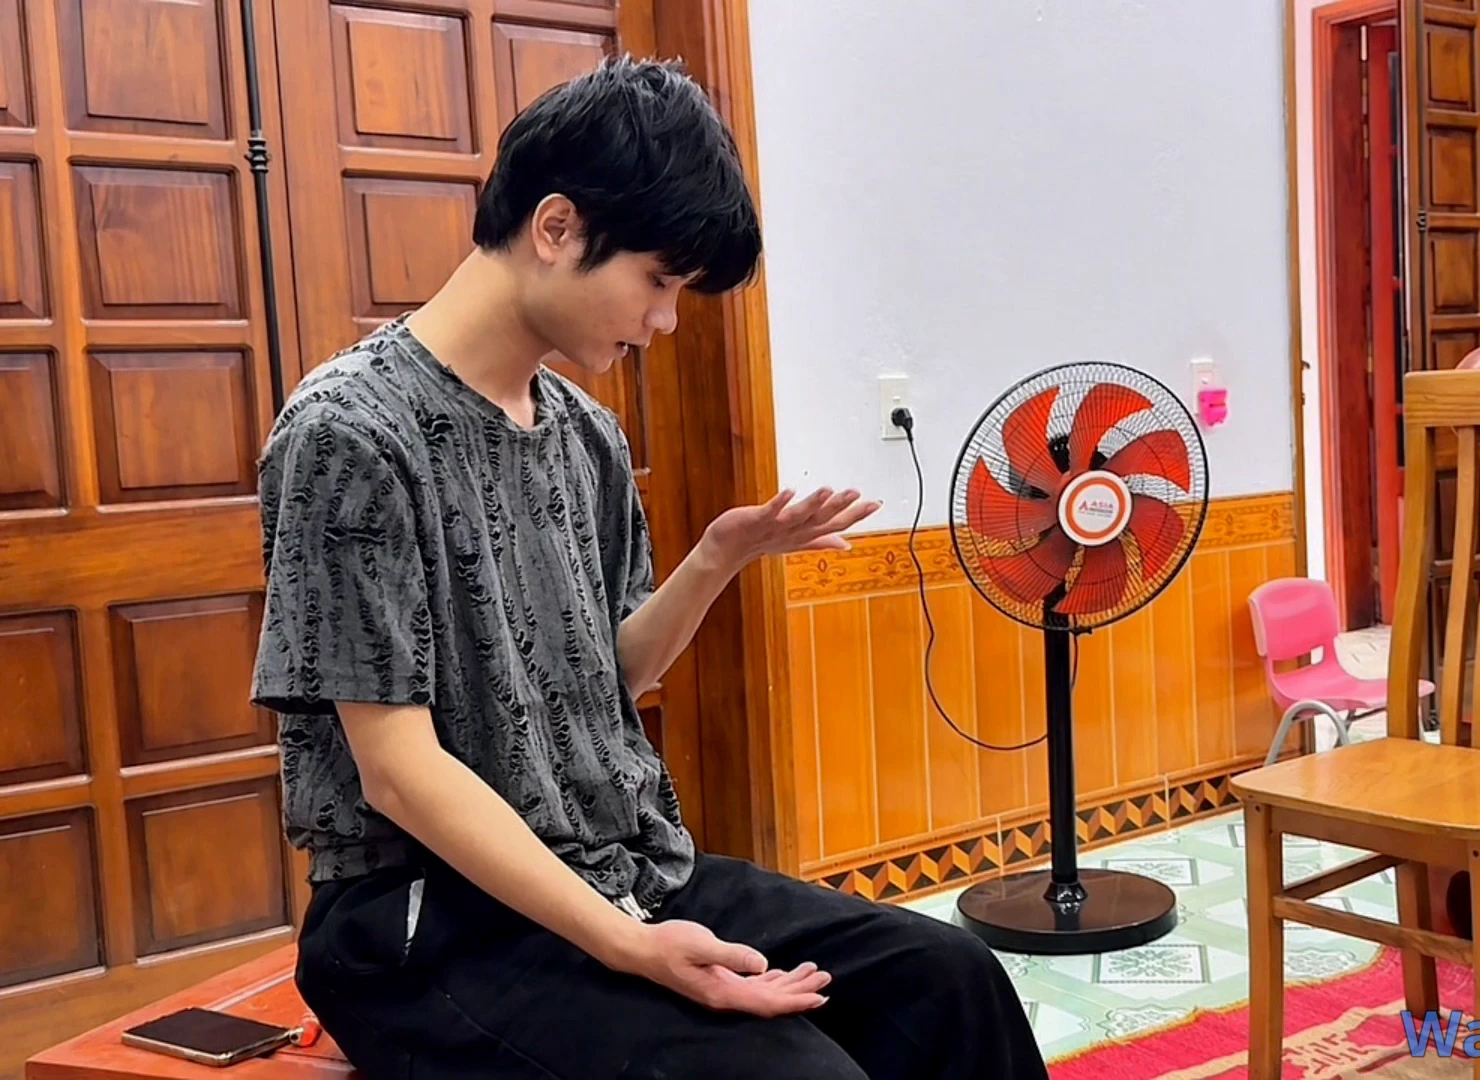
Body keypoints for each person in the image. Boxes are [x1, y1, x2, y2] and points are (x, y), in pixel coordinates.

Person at [250, 55, 1050, 1080]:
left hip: (621, 866)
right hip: (425, 927)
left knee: (951, 980)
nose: (664, 321)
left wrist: (716, 558)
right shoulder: (349, 431)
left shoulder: (585, 433)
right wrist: (631, 947)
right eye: (659, 282)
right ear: (556, 227)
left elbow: (605, 681)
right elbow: (398, 774)